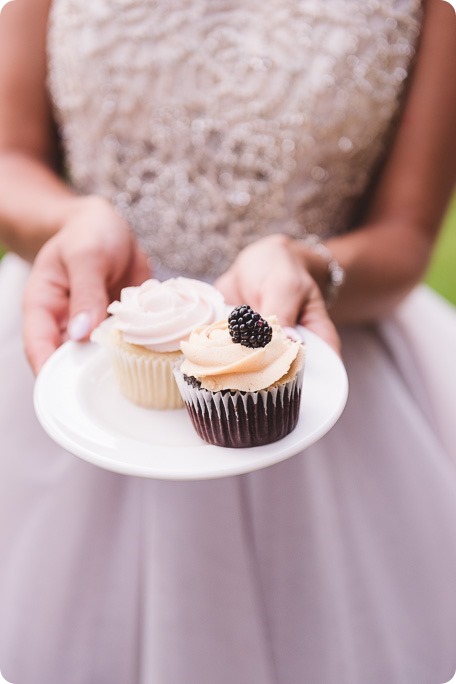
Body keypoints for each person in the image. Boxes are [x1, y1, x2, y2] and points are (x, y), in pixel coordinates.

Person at [0, 0, 456, 682]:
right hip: (93, 340)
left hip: (306, 365)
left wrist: (313, 264)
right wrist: (67, 220)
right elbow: (9, 155)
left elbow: (408, 236)